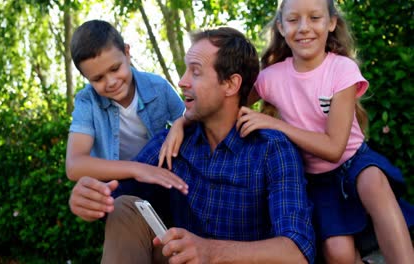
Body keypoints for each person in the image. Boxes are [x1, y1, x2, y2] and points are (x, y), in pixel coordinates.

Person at [69, 27, 316, 263]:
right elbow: (114, 195)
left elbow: (297, 251)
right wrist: (88, 198)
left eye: (195, 72)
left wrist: (211, 252)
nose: (181, 82)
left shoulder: (271, 149)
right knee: (124, 207)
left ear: (230, 84)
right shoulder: (170, 144)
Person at [233, 0, 414, 263]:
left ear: (331, 23)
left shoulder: (342, 69)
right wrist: (183, 122)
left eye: (315, 18)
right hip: (317, 180)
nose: (304, 28)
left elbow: (334, 148)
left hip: (354, 161)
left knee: (374, 180)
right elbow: (227, 105)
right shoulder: (270, 77)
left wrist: (275, 123)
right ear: (281, 27)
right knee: (337, 251)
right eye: (293, 20)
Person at [66, 19, 189, 221]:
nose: (111, 82)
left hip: (160, 180)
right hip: (119, 189)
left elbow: (190, 119)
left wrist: (180, 123)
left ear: (127, 52)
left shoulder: (158, 87)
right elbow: (74, 165)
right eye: (98, 79)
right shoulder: (87, 101)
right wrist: (138, 169)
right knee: (121, 216)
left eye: (115, 68)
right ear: (86, 78)